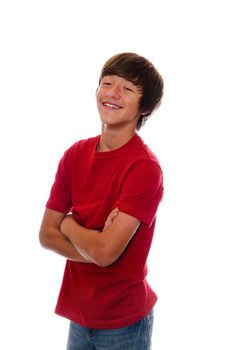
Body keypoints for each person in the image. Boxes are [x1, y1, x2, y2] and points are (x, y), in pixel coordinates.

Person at [39, 52, 164, 350]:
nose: (113, 93)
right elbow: (46, 235)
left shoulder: (144, 167)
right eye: (107, 83)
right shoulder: (74, 155)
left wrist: (68, 224)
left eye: (127, 88)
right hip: (80, 316)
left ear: (143, 107)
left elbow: (106, 252)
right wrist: (96, 246)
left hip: (124, 322)